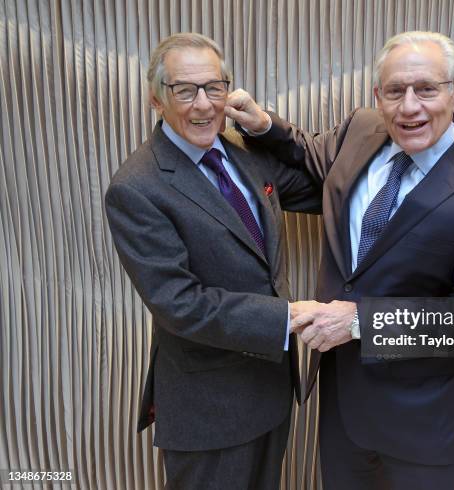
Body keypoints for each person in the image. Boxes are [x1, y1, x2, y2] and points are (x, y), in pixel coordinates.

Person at [226, 31, 454, 490]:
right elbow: (309, 152)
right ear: (377, 97)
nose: (409, 107)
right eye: (395, 91)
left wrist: (359, 322)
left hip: (425, 420)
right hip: (342, 406)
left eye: (426, 89)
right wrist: (263, 123)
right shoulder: (362, 130)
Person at [104, 33, 321, 490]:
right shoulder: (137, 187)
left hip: (270, 393)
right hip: (209, 411)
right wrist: (288, 316)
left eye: (214, 88)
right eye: (185, 90)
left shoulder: (244, 153)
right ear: (156, 99)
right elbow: (179, 303)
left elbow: (324, 190)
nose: (204, 105)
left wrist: (266, 125)